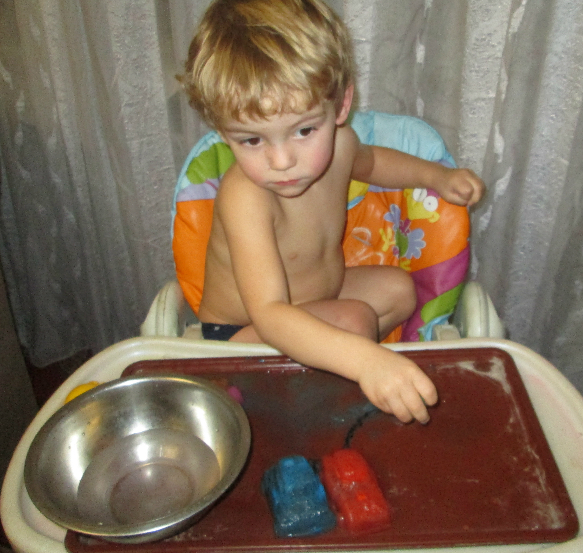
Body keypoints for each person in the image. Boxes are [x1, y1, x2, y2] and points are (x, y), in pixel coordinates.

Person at [178, 0, 485, 424]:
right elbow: (270, 313)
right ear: (222, 131)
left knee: (399, 290)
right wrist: (364, 360)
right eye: (251, 140)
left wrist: (437, 176)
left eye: (304, 130)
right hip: (241, 338)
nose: (282, 161)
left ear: (341, 106)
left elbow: (374, 164)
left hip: (317, 300)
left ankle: (324, 370)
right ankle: (327, 406)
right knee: (355, 320)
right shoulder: (245, 196)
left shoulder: (342, 146)